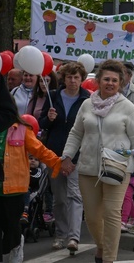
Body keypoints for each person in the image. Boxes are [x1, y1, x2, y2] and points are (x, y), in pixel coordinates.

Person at [60, 59, 134, 263]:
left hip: (117, 168)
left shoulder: (127, 106)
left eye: (114, 80)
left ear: (120, 83)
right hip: (88, 168)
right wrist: (66, 156)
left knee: (112, 214)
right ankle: (102, 247)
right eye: (106, 79)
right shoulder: (87, 104)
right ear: (98, 81)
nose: (110, 83)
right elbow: (76, 133)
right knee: (92, 217)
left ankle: (109, 258)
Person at [0, 114, 62, 263]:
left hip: (15, 188)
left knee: (11, 228)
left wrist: (57, 163)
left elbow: (40, 150)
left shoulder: (22, 130)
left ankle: (16, 243)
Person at [38, 62, 90, 252]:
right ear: (63, 79)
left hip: (78, 156)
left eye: (76, 77)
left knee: (75, 196)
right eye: (69, 77)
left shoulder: (87, 99)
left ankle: (73, 237)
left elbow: (88, 129)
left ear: (81, 79)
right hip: (55, 155)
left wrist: (76, 156)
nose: (73, 81)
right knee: (59, 198)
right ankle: (60, 234)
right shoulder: (53, 97)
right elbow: (42, 124)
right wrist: (48, 119)